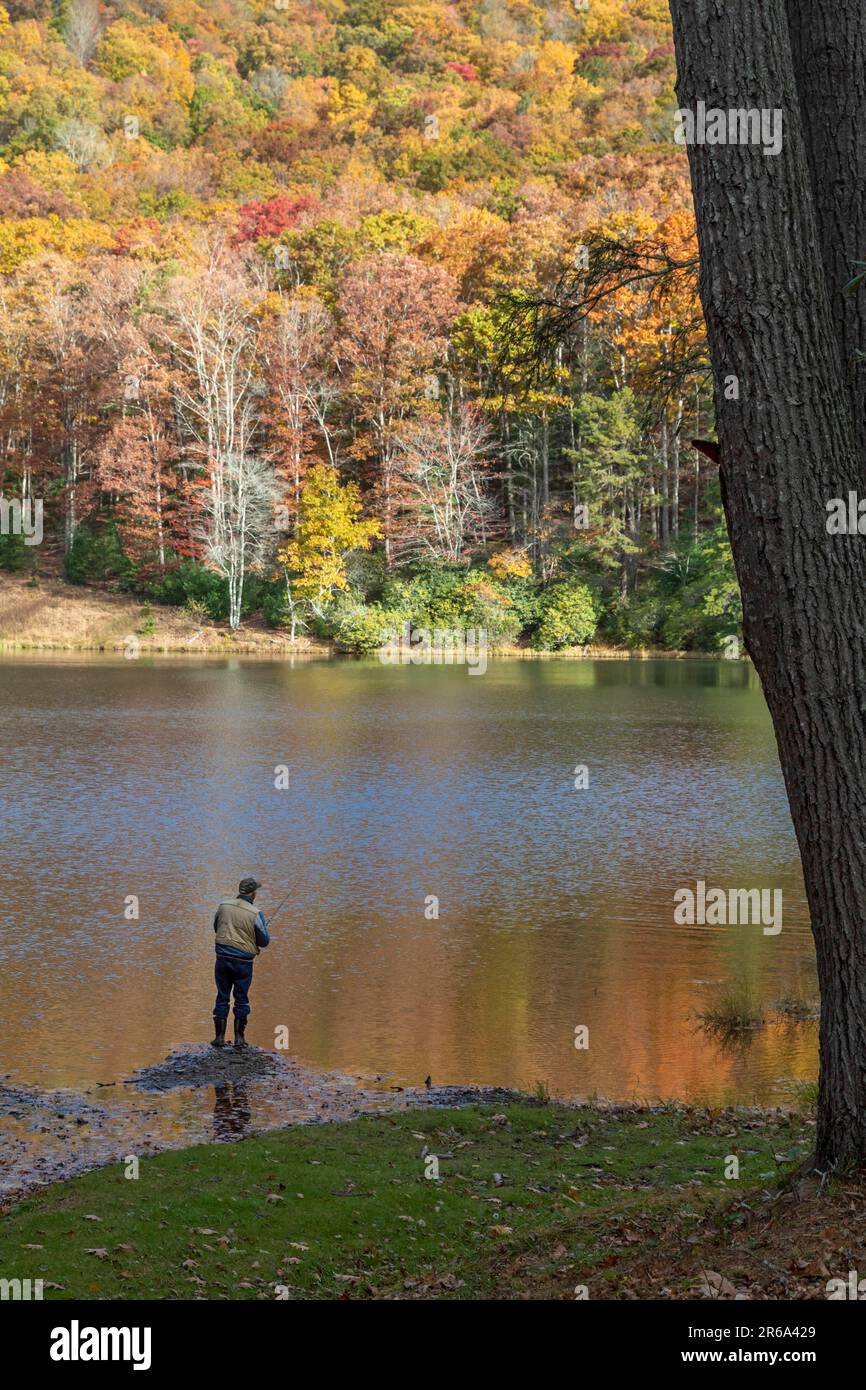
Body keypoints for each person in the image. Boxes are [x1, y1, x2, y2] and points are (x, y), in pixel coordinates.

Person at [211, 876, 270, 1048]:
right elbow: (264, 941)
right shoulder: (255, 913)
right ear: (253, 894)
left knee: (222, 996)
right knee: (241, 998)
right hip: (243, 962)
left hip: (222, 958)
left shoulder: (223, 906)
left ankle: (219, 1038)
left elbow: (216, 927)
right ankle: (239, 1039)